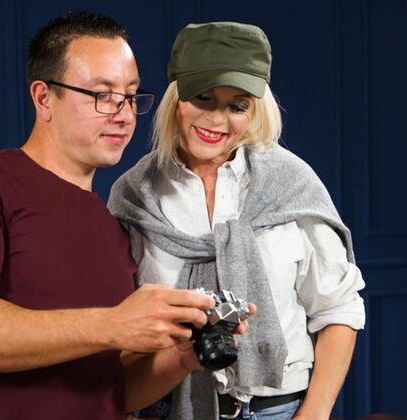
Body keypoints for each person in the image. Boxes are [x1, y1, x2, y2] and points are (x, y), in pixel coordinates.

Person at [0, 12, 249, 419]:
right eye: (102, 95)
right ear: (43, 98)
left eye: (131, 96)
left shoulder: (113, 225)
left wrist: (182, 356)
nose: (124, 114)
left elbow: (115, 391)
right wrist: (112, 324)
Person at [108, 22, 366, 419]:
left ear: (255, 111)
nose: (217, 120)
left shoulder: (291, 184)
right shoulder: (135, 193)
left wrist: (314, 414)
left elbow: (338, 306)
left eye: (237, 106)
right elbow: (121, 328)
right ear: (176, 99)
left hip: (277, 410)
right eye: (203, 98)